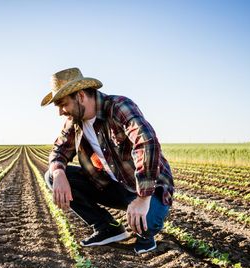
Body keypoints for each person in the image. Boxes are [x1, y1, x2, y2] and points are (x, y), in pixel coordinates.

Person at [41, 68, 174, 254]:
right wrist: (58, 172)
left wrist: (143, 198)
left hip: (149, 188)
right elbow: (60, 149)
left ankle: (146, 233)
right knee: (52, 176)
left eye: (63, 104)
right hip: (113, 186)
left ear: (80, 96)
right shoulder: (74, 121)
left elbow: (146, 141)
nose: (61, 112)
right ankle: (108, 228)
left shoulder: (119, 107)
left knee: (147, 224)